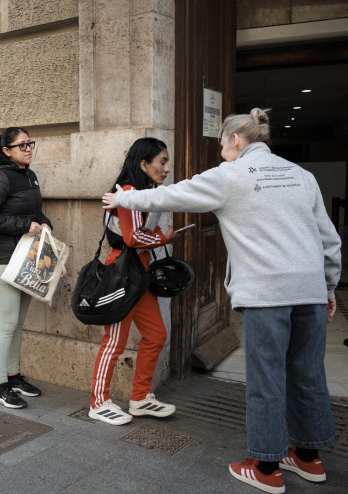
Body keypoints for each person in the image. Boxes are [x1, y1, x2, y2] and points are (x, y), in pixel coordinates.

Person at [102, 108, 340, 494]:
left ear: (235, 140)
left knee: (266, 378)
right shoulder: (302, 175)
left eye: (222, 145)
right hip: (310, 290)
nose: (221, 152)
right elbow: (329, 239)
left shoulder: (230, 175)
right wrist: (328, 289)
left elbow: (174, 194)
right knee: (308, 372)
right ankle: (308, 458)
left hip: (267, 293)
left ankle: (266, 467)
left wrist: (125, 198)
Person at [88, 138, 179, 426]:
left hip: (138, 274)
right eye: (162, 161)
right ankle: (98, 402)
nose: (167, 168)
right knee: (114, 341)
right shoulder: (128, 193)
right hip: (123, 274)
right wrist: (165, 238)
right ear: (143, 164)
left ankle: (140, 398)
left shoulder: (140, 192)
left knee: (156, 335)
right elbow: (133, 237)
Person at [0, 127, 50, 409]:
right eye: (22, 145)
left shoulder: (29, 174)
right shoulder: (1, 177)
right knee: (6, 323)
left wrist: (44, 222)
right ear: (6, 151)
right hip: (4, 259)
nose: (28, 149)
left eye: (30, 143)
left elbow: (33, 212)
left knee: (17, 323)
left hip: (26, 259)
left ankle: (13, 376)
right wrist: (23, 225)